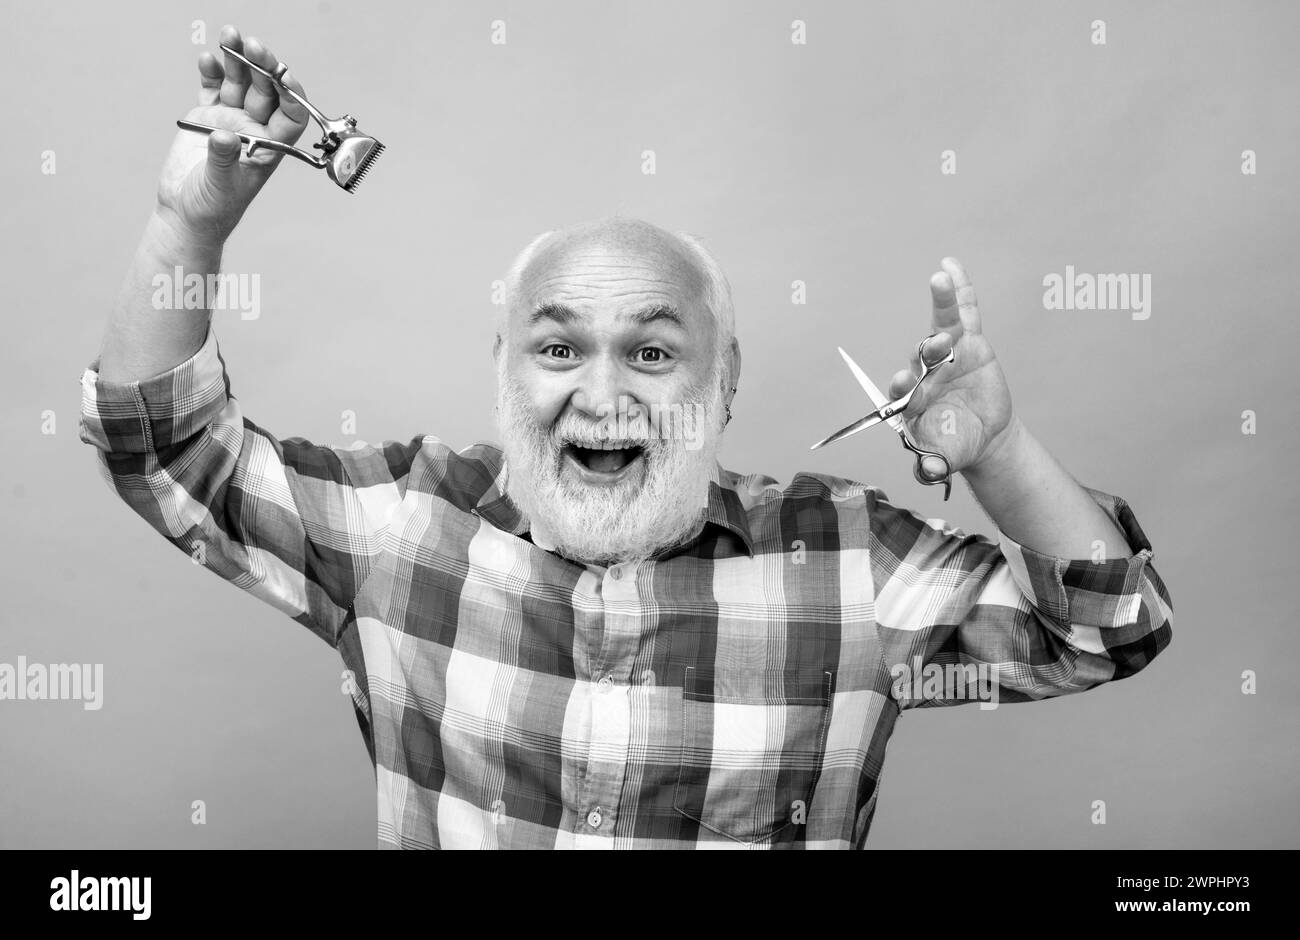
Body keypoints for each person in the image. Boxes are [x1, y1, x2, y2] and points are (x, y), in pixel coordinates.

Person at [80, 26, 1173, 849]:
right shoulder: (404, 525)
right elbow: (165, 452)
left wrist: (998, 451)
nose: (601, 395)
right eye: (557, 350)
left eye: (652, 353)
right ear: (502, 367)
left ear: (724, 380)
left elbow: (1105, 629)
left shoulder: (848, 563)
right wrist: (190, 224)